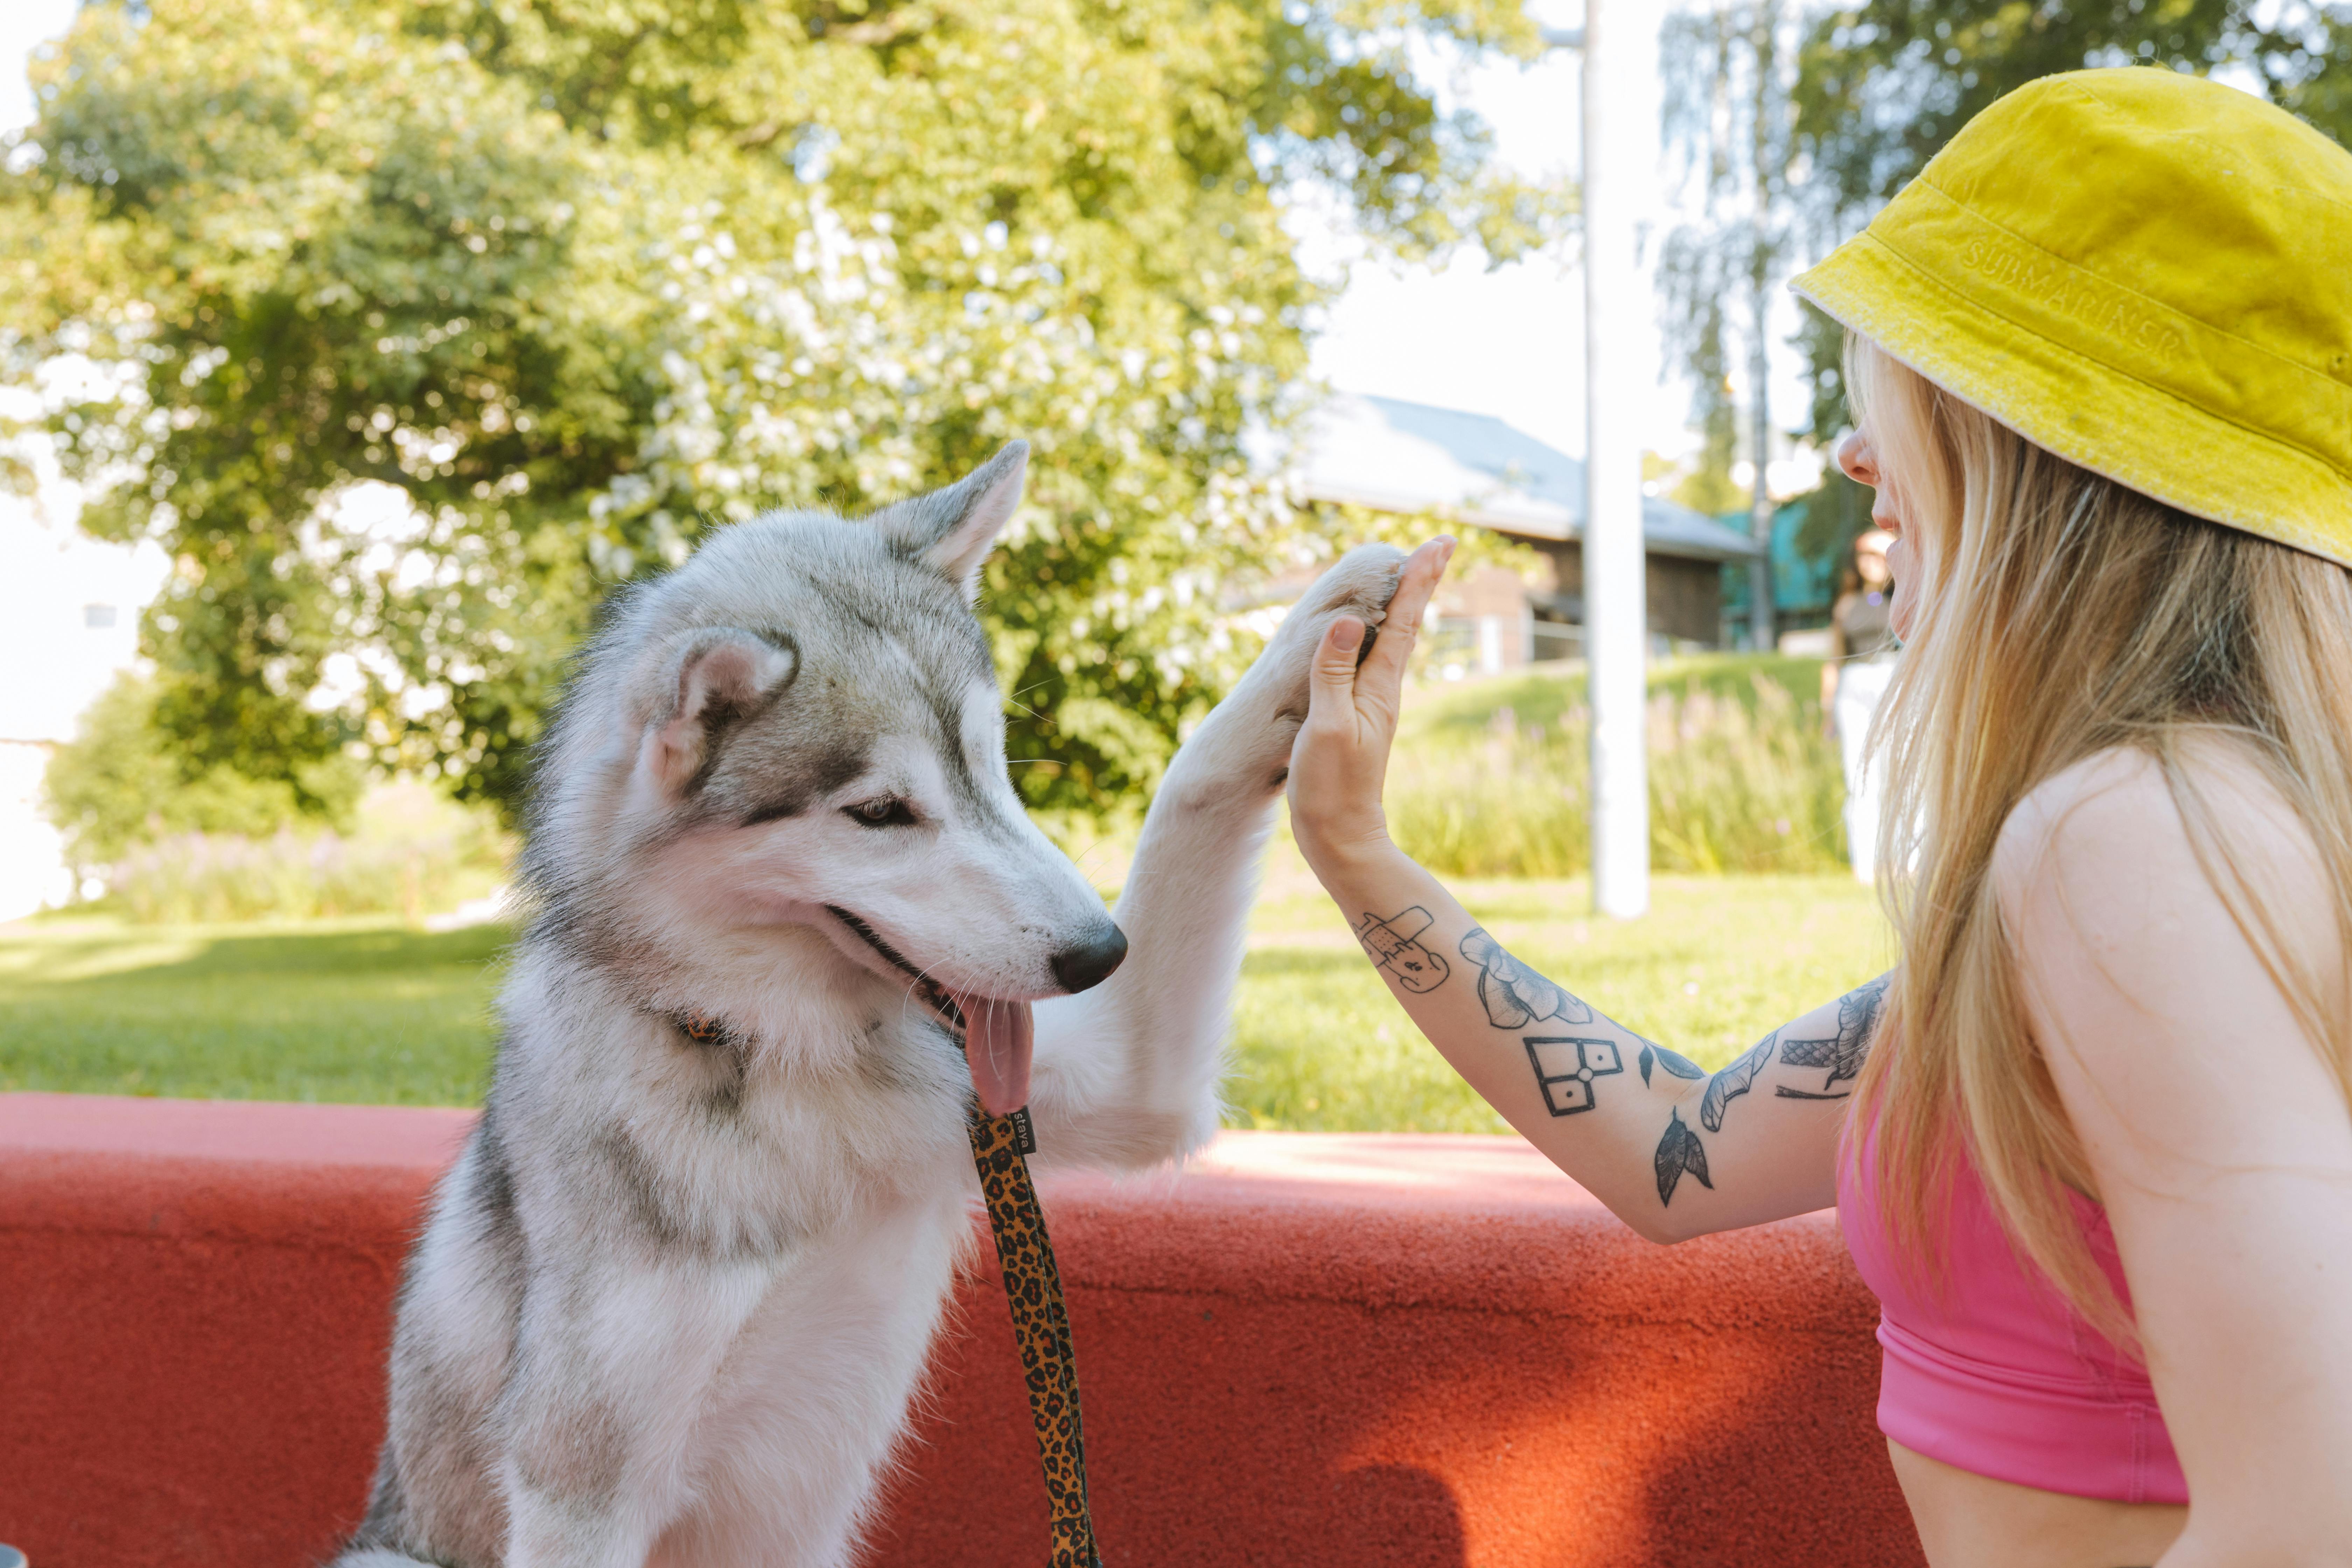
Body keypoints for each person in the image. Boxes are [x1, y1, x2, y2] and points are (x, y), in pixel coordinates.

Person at [1286, 70, 2352, 1568]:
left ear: (2050, 453)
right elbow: (1680, 1153)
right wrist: (1355, 853)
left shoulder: (2132, 836)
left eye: (1904, 387)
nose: (1855, 459)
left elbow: (2311, 1515)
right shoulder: (2153, 839)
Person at [1821, 526, 1898, 881]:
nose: (1871, 562)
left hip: (1893, 680)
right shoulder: (1847, 605)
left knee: (1899, 773)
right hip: (1855, 685)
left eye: (1879, 555)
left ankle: (1904, 860)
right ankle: (1865, 866)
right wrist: (1827, 712)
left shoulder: (1905, 598)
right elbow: (1835, 659)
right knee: (1860, 775)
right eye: (1865, 555)